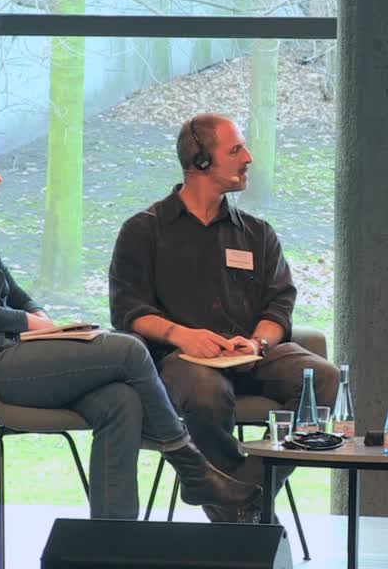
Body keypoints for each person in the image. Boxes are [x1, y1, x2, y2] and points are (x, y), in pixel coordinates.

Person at [0, 127, 261, 520]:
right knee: (128, 348)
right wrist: (26, 323)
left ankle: (112, 539)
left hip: (4, 356)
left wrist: (46, 322)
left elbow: (16, 295)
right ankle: (192, 468)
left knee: (120, 400)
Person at [109, 113, 337, 522]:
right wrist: (184, 336)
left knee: (322, 379)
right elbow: (128, 311)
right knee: (205, 393)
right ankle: (242, 507)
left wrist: (257, 342)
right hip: (181, 360)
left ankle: (244, 492)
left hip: (252, 354)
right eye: (235, 150)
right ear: (200, 161)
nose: (248, 158)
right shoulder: (144, 230)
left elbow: (279, 306)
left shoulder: (257, 234)